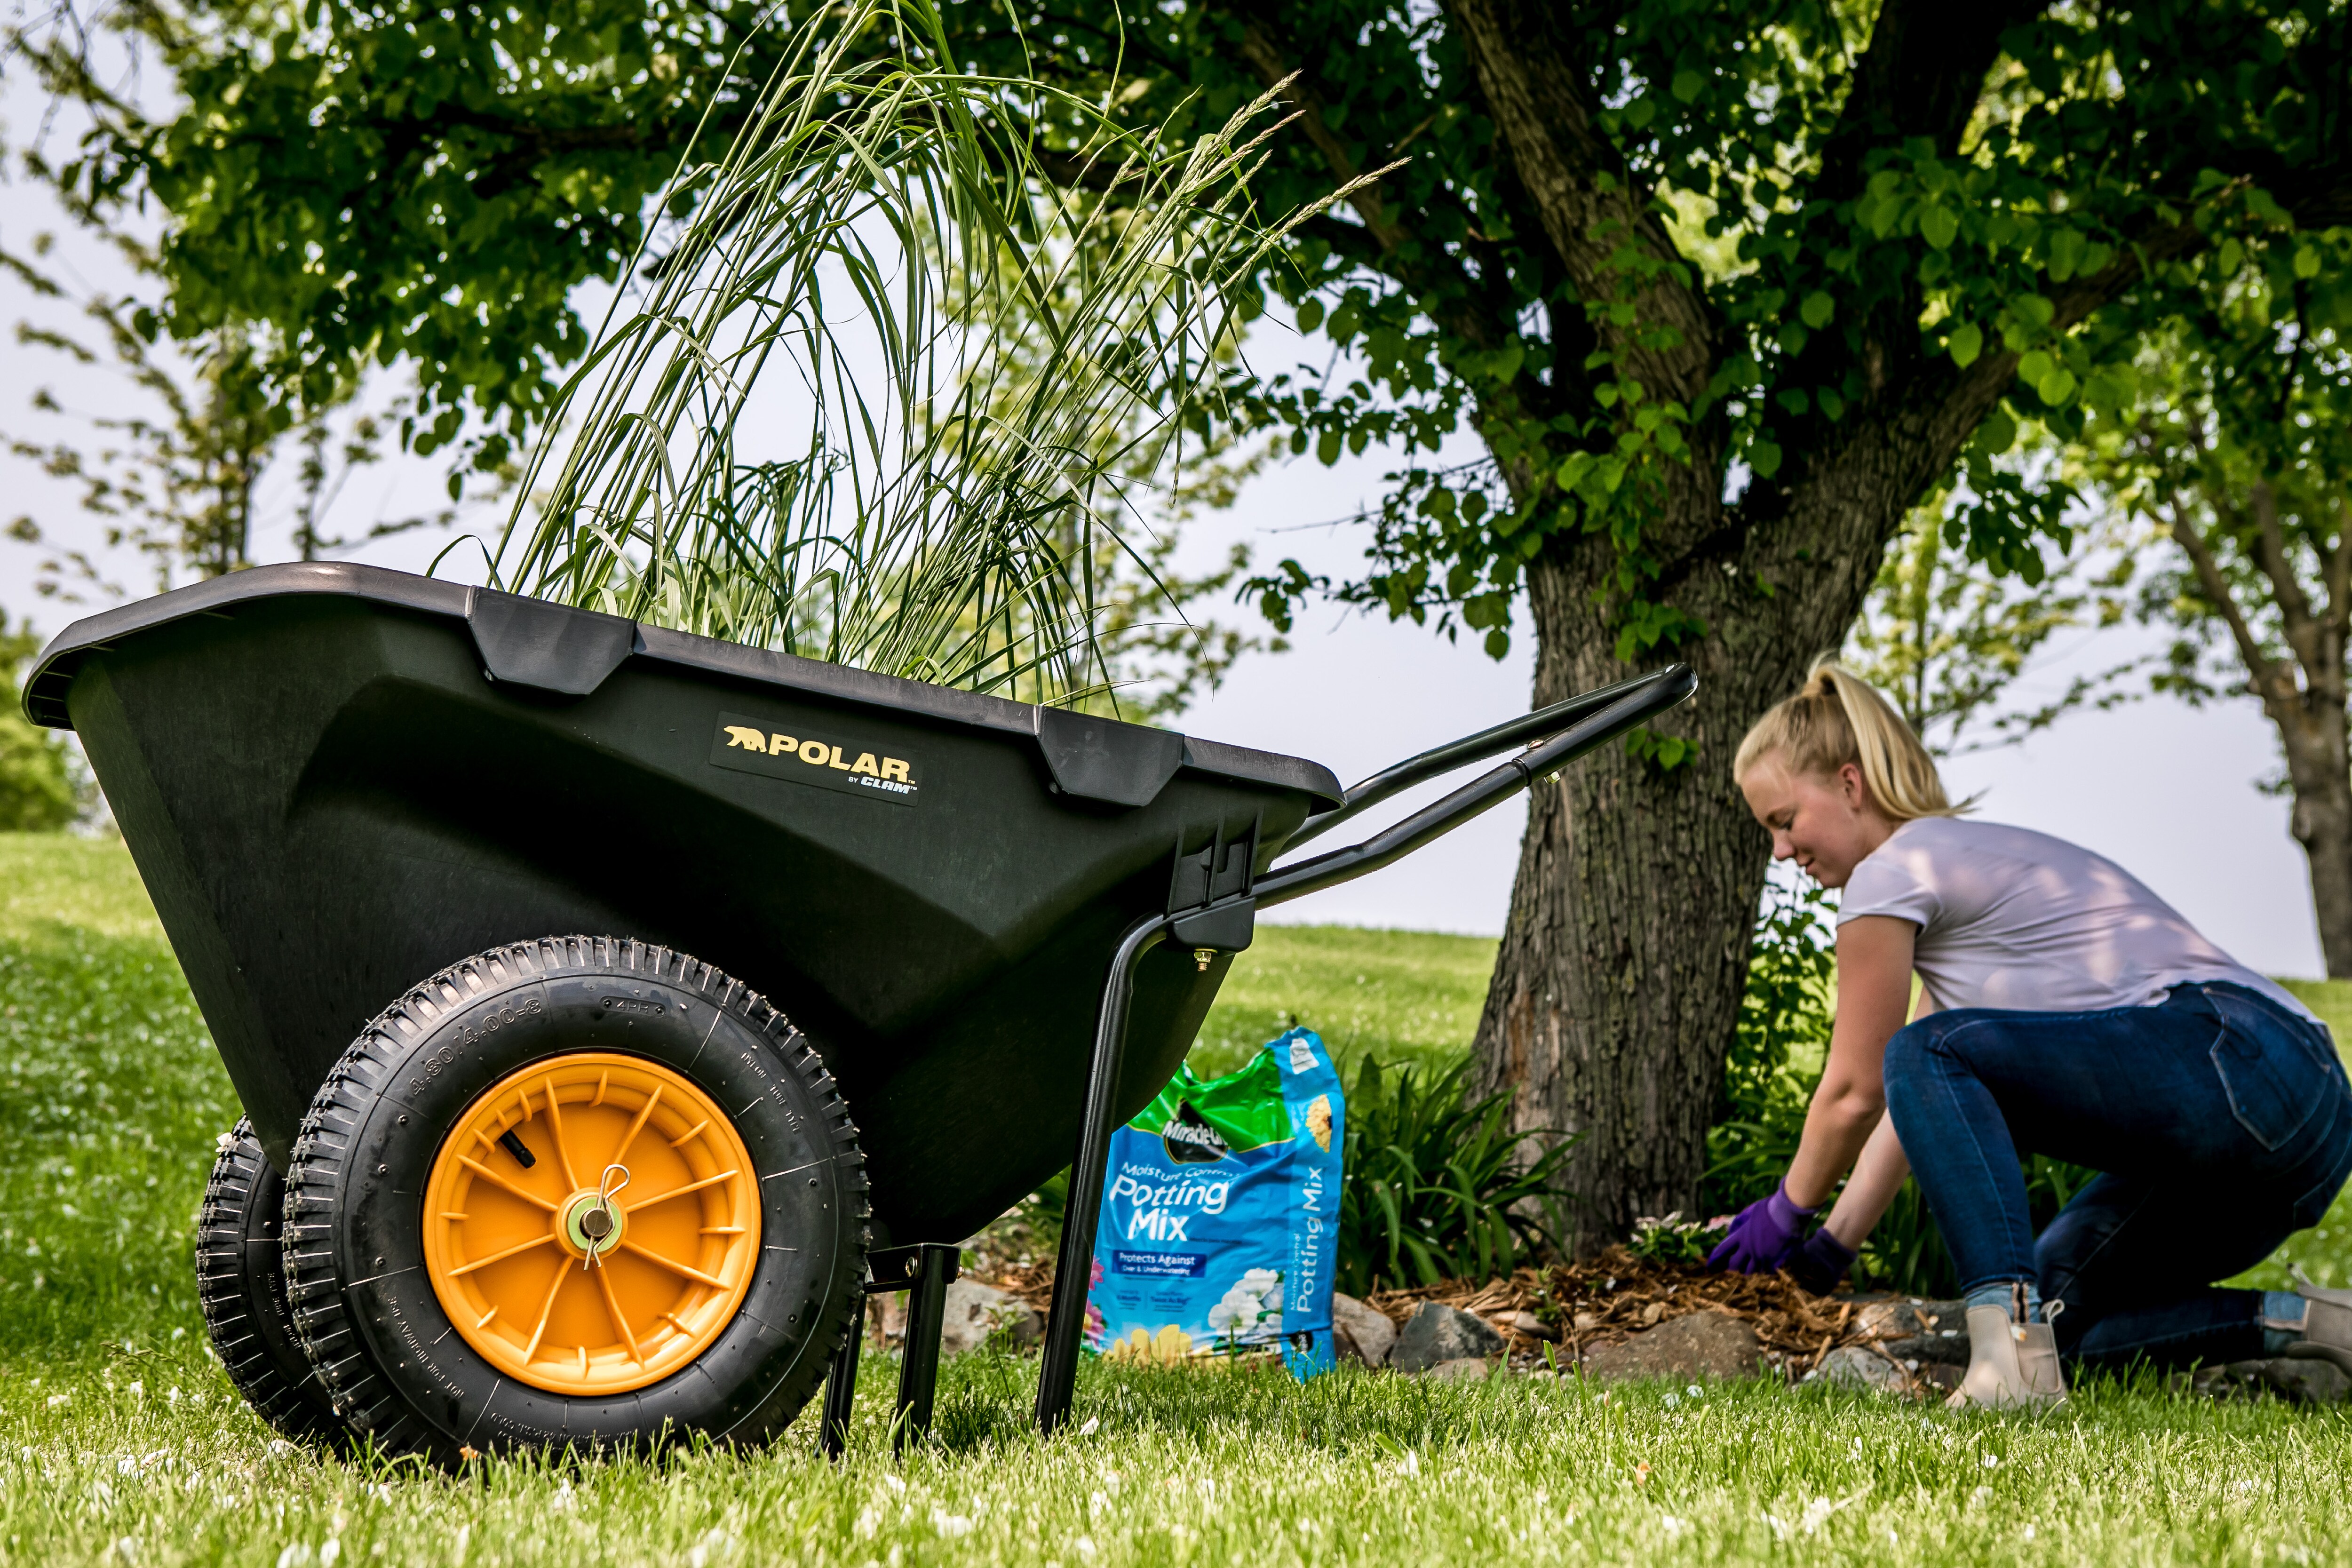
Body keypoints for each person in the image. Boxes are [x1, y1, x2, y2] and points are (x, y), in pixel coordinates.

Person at [1711, 657, 2352, 1408]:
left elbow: (1856, 1089)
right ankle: (2312, 1322)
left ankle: (2010, 1365)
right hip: (2304, 1130)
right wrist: (1827, 1249)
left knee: (1925, 1052)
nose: (1781, 851)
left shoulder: (1892, 869)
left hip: (2245, 1057)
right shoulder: (1956, 885)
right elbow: (1912, 1102)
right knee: (2056, 1308)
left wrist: (1785, 1210)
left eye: (1784, 820)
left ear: (1851, 785)